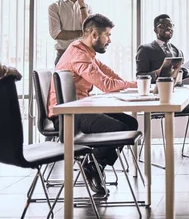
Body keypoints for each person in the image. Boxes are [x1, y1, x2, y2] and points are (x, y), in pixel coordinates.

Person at [47, 13, 138, 196]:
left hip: (78, 109)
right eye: (108, 35)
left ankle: (95, 165)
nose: (109, 40)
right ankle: (93, 167)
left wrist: (132, 86)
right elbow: (105, 85)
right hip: (66, 115)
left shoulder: (86, 52)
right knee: (117, 128)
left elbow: (109, 75)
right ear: (94, 35)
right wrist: (135, 85)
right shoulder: (78, 54)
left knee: (130, 124)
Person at [135, 13, 189, 169]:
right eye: (163, 25)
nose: (168, 28)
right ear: (155, 29)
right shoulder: (146, 49)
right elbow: (140, 76)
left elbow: (180, 75)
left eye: (170, 25)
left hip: (178, 96)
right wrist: (158, 72)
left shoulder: (176, 50)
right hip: (159, 98)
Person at [49, 0, 92, 65]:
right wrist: (81, 33)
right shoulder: (54, 7)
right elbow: (56, 34)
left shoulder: (87, 8)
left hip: (82, 56)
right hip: (63, 56)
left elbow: (89, 31)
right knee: (61, 81)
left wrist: (82, 6)